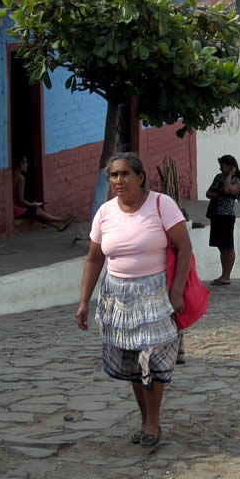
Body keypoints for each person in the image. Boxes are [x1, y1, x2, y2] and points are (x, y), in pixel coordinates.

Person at [76, 152, 191, 449]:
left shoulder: (161, 205)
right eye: (113, 175)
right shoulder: (105, 213)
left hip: (156, 295)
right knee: (131, 362)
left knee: (154, 359)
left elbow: (184, 246)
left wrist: (177, 291)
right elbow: (93, 259)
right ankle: (145, 419)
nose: (118, 181)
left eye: (125, 174)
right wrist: (84, 301)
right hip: (118, 297)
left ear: (140, 177)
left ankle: (153, 421)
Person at [205, 155, 240, 286]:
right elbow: (208, 193)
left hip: (227, 216)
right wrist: (216, 195)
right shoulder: (218, 177)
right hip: (216, 214)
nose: (221, 168)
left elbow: (228, 189)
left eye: (223, 165)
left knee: (228, 246)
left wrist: (230, 175)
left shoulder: (237, 181)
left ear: (231, 166)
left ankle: (227, 275)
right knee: (221, 246)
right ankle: (223, 274)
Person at [12, 156, 71, 231]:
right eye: (24, 162)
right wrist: (32, 204)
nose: (27, 164)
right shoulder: (21, 178)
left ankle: (57, 225)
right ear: (18, 164)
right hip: (16, 211)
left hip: (14, 209)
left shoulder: (13, 174)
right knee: (36, 210)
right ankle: (60, 219)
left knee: (35, 214)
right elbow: (20, 201)